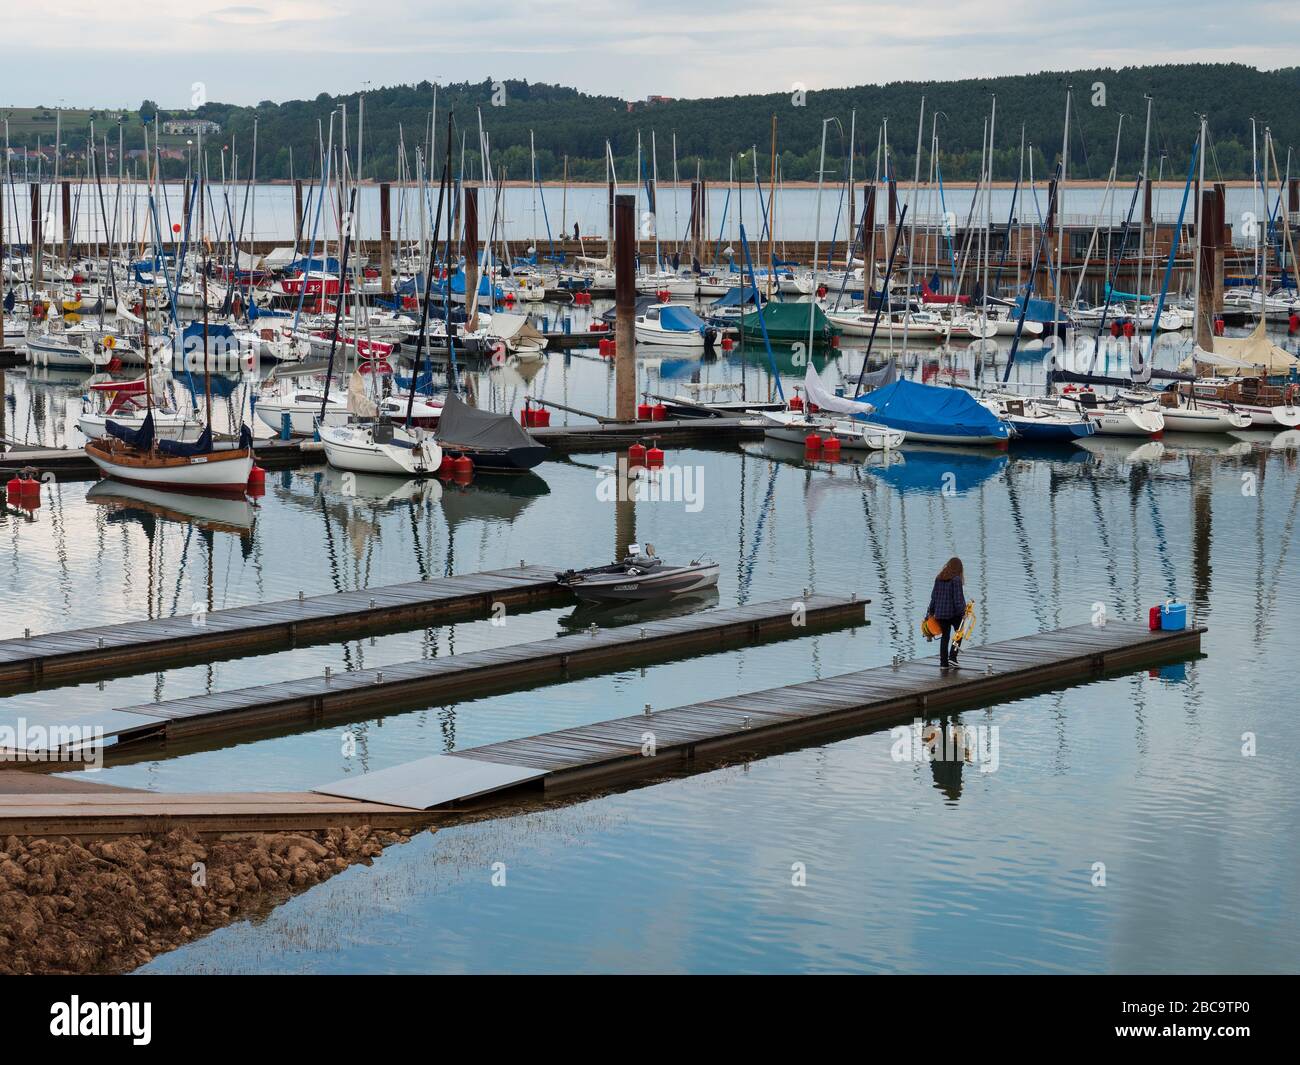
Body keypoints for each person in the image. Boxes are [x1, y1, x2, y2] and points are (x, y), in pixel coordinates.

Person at [927, 557, 967, 669]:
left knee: (945, 637)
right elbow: (958, 599)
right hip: (953, 613)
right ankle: (953, 658)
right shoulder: (956, 579)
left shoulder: (939, 578)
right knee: (959, 633)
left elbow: (934, 597)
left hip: (940, 614)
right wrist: (963, 612)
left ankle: (943, 664)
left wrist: (931, 612)